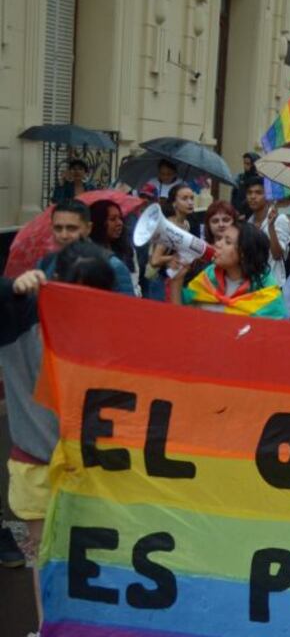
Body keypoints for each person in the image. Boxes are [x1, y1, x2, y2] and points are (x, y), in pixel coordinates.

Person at [1, 241, 116, 632]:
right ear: (56, 284)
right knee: (44, 556)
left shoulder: (113, 331)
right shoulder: (19, 318)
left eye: (95, 295)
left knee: (93, 557)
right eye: (75, 291)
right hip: (38, 465)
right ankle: (48, 627)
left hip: (95, 470)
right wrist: (12, 289)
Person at [170, 221, 286, 318]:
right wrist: (176, 281)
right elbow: (182, 321)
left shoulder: (268, 294)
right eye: (220, 239)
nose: (217, 244)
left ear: (243, 253)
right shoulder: (207, 278)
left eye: (228, 242)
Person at [38, 200, 134, 296]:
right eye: (58, 228)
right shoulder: (46, 262)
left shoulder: (113, 265)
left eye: (72, 228)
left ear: (88, 228)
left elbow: (127, 308)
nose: (64, 235)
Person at [244, 177, 290, 315]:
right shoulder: (248, 222)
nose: (253, 197)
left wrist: (271, 227)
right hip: (251, 286)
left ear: (267, 196)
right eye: (249, 193)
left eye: (258, 192)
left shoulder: (280, 219)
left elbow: (278, 254)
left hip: (272, 286)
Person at [146, 183, 197, 300]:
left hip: (174, 279)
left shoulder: (186, 224)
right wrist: (173, 258)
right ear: (174, 203)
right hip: (159, 280)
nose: (190, 202)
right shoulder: (169, 228)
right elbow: (155, 260)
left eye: (191, 198)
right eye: (184, 198)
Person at [89, 199, 140, 295]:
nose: (119, 223)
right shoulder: (89, 255)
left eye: (120, 218)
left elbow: (135, 284)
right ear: (99, 222)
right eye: (112, 219)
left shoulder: (128, 251)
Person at [232, 152, 260, 216]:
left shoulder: (259, 181)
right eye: (244, 163)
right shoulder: (240, 178)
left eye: (248, 164)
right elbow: (234, 195)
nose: (245, 166)